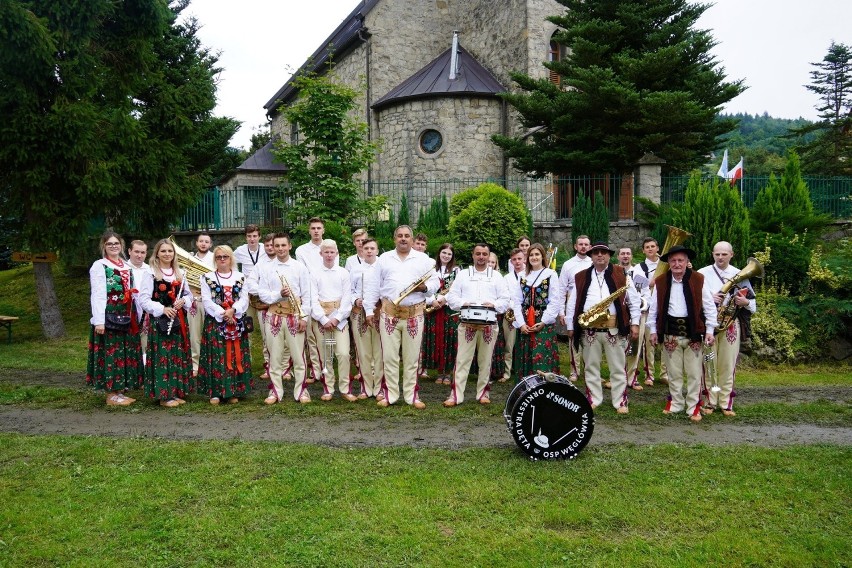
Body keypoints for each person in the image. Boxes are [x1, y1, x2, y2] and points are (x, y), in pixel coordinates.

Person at [363, 225, 439, 408]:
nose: (403, 239)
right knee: (389, 357)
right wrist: (369, 310)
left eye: (406, 236)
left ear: (412, 240)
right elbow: (373, 286)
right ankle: (390, 395)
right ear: (394, 239)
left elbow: (435, 281)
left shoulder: (423, 259)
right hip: (389, 314)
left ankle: (412, 396)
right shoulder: (384, 259)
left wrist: (425, 288)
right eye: (399, 236)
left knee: (412, 358)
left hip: (414, 314)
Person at [565, 242, 640, 413]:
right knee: (591, 366)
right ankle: (593, 398)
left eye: (604, 253)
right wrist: (571, 325)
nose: (600, 255)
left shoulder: (622, 274)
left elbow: (633, 301)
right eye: (596, 253)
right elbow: (572, 304)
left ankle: (620, 401)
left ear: (609, 256)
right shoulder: (581, 276)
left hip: (613, 328)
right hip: (589, 329)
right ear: (591, 256)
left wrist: (634, 323)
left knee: (618, 367)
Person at [648, 245, 717, 422]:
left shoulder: (699, 279)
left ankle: (693, 406)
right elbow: (654, 308)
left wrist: (710, 329)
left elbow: (709, 306)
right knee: (674, 372)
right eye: (673, 260)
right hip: (671, 333)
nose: (677, 263)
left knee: (694, 373)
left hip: (694, 333)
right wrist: (654, 330)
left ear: (687, 262)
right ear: (668, 263)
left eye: (681, 260)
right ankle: (676, 403)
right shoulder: (661, 281)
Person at [443, 243, 510, 406]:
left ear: (488, 256)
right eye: (478, 254)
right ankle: (456, 395)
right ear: (473, 255)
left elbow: (505, 299)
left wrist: (493, 304)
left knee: (485, 360)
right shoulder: (464, 274)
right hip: (467, 324)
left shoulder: (497, 276)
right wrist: (464, 303)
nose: (481, 257)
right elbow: (451, 297)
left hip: (489, 324)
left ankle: (483, 393)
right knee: (462, 360)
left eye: (484, 254)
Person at [698, 241, 757, 417]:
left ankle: (725, 403)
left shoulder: (740, 273)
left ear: (731, 254)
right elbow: (693, 299)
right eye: (717, 254)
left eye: (724, 254)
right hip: (709, 324)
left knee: (727, 365)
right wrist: (709, 298)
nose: (720, 257)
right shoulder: (702, 273)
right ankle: (709, 401)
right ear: (712, 254)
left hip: (731, 325)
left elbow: (753, 304)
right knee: (709, 363)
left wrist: (745, 302)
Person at [86, 231, 143, 406]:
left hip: (127, 316)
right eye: (109, 244)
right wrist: (99, 320)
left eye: (116, 243)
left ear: (121, 245)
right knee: (112, 353)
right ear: (104, 246)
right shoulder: (99, 266)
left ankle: (121, 388)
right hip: (110, 315)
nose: (113, 246)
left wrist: (140, 316)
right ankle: (111, 394)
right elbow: (97, 294)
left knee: (125, 351)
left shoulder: (126, 266)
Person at [256, 233, 313, 404]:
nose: (280, 249)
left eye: (283, 245)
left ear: (290, 246)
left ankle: (301, 390)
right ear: (273, 247)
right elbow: (263, 294)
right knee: (275, 356)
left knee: (298, 356)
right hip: (274, 315)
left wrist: (304, 317)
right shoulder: (266, 268)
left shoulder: (299, 267)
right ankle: (275, 391)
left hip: (295, 315)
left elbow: (307, 294)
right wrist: (278, 295)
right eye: (277, 246)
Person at [137, 238, 193, 407]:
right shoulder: (151, 273)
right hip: (161, 322)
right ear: (157, 254)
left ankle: (175, 392)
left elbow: (189, 295)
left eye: (170, 251)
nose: (167, 254)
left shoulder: (180, 273)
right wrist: (162, 309)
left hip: (178, 321)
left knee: (176, 356)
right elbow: (143, 299)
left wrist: (183, 300)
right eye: (163, 251)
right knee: (163, 357)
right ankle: (164, 395)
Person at [197, 245, 253, 404]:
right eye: (218, 257)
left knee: (235, 356)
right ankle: (215, 391)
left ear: (231, 258)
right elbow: (207, 301)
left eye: (225, 256)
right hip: (216, 321)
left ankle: (233, 390)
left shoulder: (240, 276)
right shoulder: (207, 277)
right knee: (216, 355)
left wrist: (233, 311)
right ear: (215, 259)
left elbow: (244, 299)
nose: (222, 259)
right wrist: (224, 313)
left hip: (235, 321)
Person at [509, 243, 563, 379]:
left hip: (543, 321)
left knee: (542, 353)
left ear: (542, 256)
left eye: (537, 254)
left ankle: (546, 387)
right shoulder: (522, 275)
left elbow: (555, 301)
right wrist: (521, 324)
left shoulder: (550, 274)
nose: (534, 257)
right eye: (531, 255)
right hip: (525, 320)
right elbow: (517, 301)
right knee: (525, 353)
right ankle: (526, 388)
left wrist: (544, 322)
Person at [310, 239, 355, 401]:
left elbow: (347, 297)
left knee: (343, 353)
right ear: (320, 254)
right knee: (326, 355)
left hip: (339, 319)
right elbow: (312, 299)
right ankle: (328, 388)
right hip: (322, 319)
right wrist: (323, 319)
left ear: (337, 253)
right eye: (326, 252)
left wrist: (336, 318)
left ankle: (345, 388)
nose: (329, 255)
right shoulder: (314, 273)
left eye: (332, 252)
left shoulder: (343, 273)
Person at [296, 217, 330, 384]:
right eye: (313, 228)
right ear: (309, 230)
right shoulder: (301, 250)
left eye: (319, 228)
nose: (316, 231)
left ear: (323, 230)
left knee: (325, 336)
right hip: (309, 295)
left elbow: (331, 270)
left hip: (328, 296)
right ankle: (316, 371)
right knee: (311, 336)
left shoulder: (330, 246)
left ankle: (327, 370)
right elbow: (305, 274)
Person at [349, 238, 383, 399]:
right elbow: (349, 291)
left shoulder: (383, 268)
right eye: (366, 248)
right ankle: (365, 387)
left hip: (378, 311)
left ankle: (379, 388)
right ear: (361, 250)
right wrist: (355, 300)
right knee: (363, 352)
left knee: (379, 350)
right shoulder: (355, 269)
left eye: (372, 248)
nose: (369, 251)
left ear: (377, 250)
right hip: (359, 312)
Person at [423, 243, 459, 384]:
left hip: (447, 309)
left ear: (452, 256)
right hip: (433, 310)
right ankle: (439, 372)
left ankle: (448, 373)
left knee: (449, 340)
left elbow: (456, 290)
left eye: (449, 254)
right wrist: (432, 301)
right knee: (436, 339)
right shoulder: (431, 270)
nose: (446, 256)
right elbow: (425, 289)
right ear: (439, 253)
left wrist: (444, 299)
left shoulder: (456, 271)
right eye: (444, 252)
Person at [633, 237, 667, 386]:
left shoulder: (668, 264)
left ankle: (665, 373)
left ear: (658, 248)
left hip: (665, 306)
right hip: (648, 308)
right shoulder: (639, 267)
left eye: (653, 246)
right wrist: (652, 282)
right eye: (647, 247)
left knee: (667, 341)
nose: (650, 249)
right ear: (643, 250)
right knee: (648, 342)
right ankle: (649, 374)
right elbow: (638, 285)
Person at [558, 235, 592, 382]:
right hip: (573, 304)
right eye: (580, 244)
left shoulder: (594, 263)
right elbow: (561, 289)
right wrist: (561, 311)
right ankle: (574, 370)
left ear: (590, 247)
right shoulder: (568, 265)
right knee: (573, 337)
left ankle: (590, 371)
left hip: (590, 305)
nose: (583, 246)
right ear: (575, 246)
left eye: (586, 244)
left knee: (591, 339)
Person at [186, 232, 214, 377]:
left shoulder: (215, 258)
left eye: (206, 241)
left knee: (210, 334)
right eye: (201, 241)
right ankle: (195, 364)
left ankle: (210, 363)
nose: (203, 244)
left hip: (210, 302)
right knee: (194, 334)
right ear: (196, 243)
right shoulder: (189, 259)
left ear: (210, 244)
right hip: (194, 301)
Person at [499, 248, 526, 382]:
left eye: (519, 259)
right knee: (509, 346)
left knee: (525, 345)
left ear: (524, 259)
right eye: (514, 259)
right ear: (511, 261)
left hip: (526, 315)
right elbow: (505, 296)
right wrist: (514, 307)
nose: (517, 262)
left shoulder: (531, 275)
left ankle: (523, 372)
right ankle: (507, 372)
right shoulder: (507, 278)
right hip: (510, 315)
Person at [127, 240, 152, 364]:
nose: (139, 255)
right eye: (136, 251)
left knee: (145, 343)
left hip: (146, 313)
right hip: (129, 311)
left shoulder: (150, 270)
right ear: (129, 251)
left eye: (142, 252)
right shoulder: (123, 269)